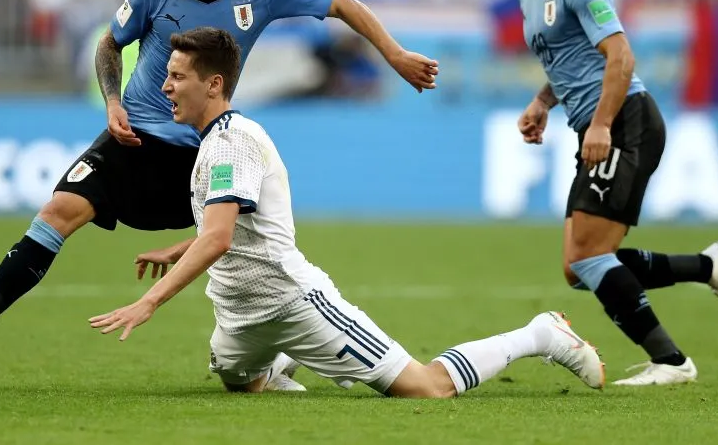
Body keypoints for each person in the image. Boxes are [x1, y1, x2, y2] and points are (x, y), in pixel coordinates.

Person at [0, 0, 439, 363]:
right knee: (57, 210)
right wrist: (112, 102)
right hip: (130, 136)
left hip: (195, 157)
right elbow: (109, 44)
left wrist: (394, 55)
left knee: (243, 249)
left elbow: (341, 4)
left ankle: (268, 352)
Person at [89, 26, 605, 396]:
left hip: (292, 301)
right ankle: (286, 359)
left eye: (177, 76)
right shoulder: (210, 142)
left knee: (425, 387)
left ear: (215, 84)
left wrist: (150, 302)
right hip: (240, 315)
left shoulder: (231, 143)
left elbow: (220, 237)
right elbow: (231, 223)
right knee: (241, 382)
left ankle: (538, 333)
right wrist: (181, 245)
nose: (164, 86)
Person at [488, 0, 718, 386]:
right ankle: (708, 266)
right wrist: (543, 101)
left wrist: (603, 124)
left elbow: (621, 54)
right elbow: (571, 57)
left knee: (589, 256)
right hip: (596, 123)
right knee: (577, 266)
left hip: (625, 120)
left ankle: (672, 362)